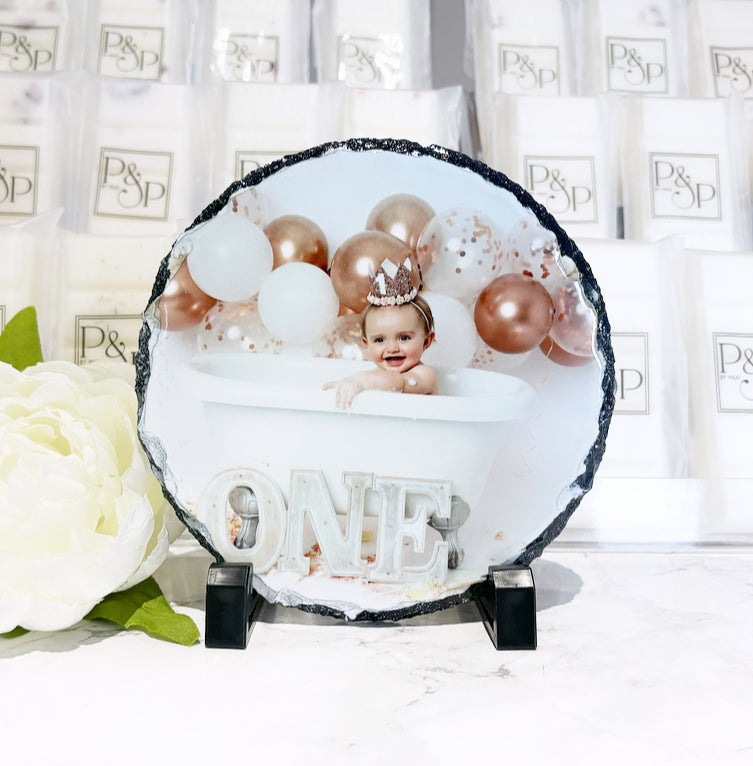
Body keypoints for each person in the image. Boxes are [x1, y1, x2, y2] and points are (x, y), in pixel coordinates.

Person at [324, 258, 438, 409]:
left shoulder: (425, 375)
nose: (392, 348)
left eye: (404, 338)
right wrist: (347, 385)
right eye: (379, 340)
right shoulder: (376, 374)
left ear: (426, 341)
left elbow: (400, 383)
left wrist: (361, 381)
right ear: (366, 345)